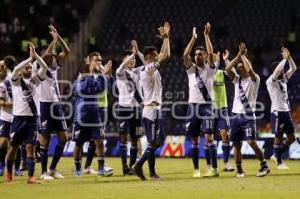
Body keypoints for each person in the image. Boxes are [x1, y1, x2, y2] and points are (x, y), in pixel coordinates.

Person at [225, 42, 270, 177]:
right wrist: (238, 57)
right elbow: (228, 69)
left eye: (241, 67)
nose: (239, 69)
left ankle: (264, 165)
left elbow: (250, 71)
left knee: (251, 142)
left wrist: (243, 57)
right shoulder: (237, 80)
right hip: (235, 116)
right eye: (238, 67)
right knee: (236, 144)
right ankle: (239, 170)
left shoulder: (254, 80)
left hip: (248, 116)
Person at [5, 42, 47, 184]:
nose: (29, 69)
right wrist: (29, 58)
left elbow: (44, 67)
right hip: (18, 118)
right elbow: (16, 68)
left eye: (30, 68)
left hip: (32, 119)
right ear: (22, 70)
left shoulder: (35, 81)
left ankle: (30, 176)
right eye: (27, 68)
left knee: (31, 146)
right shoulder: (16, 81)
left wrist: (35, 56)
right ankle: (9, 173)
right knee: (13, 147)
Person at [133, 21, 170, 180]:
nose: (158, 56)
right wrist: (166, 38)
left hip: (155, 110)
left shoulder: (146, 67)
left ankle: (149, 170)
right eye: (155, 56)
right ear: (150, 58)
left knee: (158, 140)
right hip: (151, 110)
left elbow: (162, 53)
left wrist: (165, 39)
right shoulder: (148, 70)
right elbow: (166, 56)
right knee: (153, 142)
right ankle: (141, 167)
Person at [183, 24, 219, 178]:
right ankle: (196, 170)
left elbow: (211, 52)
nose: (197, 56)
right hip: (192, 107)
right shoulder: (191, 70)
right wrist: (193, 38)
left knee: (209, 137)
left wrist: (206, 35)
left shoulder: (211, 70)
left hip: (207, 107)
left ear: (205, 57)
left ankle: (213, 168)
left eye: (200, 54)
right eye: (196, 54)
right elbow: (185, 55)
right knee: (195, 140)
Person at [36, 25, 70, 180]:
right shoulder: (39, 66)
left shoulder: (54, 66)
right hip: (44, 104)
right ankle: (43, 172)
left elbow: (67, 52)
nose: (52, 56)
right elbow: (44, 57)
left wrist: (59, 38)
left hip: (56, 105)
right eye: (50, 55)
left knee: (64, 138)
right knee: (46, 138)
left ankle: (52, 169)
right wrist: (53, 41)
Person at [72, 52, 113, 177]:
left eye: (100, 60)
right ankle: (78, 168)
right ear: (89, 63)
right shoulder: (78, 81)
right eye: (96, 60)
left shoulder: (95, 79)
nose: (99, 63)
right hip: (81, 117)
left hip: (95, 116)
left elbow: (100, 89)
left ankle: (101, 169)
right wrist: (92, 74)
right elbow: (84, 90)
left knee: (99, 141)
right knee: (79, 144)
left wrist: (104, 75)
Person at [266, 47, 297, 170]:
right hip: (277, 112)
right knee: (278, 136)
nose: (283, 72)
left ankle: (275, 155)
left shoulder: (283, 79)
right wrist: (283, 59)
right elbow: (279, 69)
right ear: (275, 71)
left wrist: (288, 58)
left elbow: (293, 68)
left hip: (286, 112)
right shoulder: (271, 81)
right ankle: (279, 162)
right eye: (281, 70)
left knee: (292, 138)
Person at [116, 44, 143, 175]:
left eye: (133, 59)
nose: (132, 61)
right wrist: (132, 54)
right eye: (129, 59)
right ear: (124, 61)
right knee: (123, 138)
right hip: (124, 109)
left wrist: (137, 53)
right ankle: (124, 166)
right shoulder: (120, 73)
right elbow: (122, 66)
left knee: (135, 139)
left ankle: (131, 167)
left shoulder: (138, 72)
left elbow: (149, 64)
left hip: (137, 109)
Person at [212, 50, 234, 172]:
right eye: (214, 57)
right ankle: (211, 165)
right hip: (210, 109)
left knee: (225, 136)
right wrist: (216, 62)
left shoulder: (221, 73)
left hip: (222, 109)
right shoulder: (206, 73)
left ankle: (226, 163)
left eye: (216, 57)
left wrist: (226, 60)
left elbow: (231, 73)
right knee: (210, 138)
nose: (216, 58)